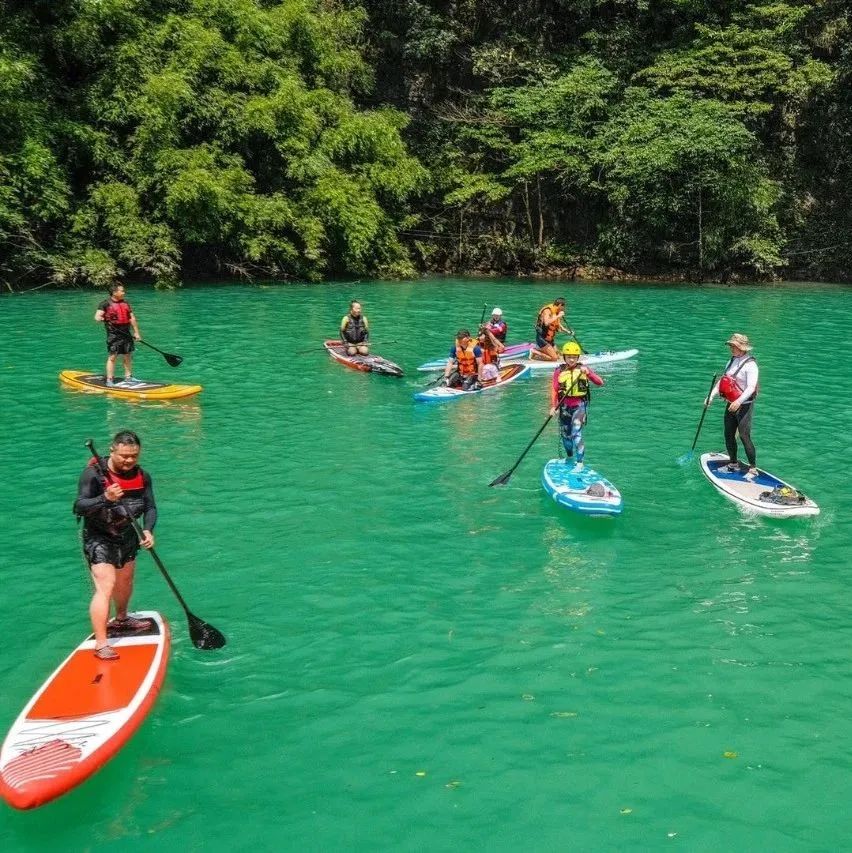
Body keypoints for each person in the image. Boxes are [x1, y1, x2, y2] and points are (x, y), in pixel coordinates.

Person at [73, 431, 157, 660]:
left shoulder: (143, 476)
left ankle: (121, 619)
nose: (129, 461)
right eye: (123, 456)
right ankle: (101, 644)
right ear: (112, 450)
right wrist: (105, 498)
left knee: (125, 581)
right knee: (106, 585)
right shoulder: (93, 475)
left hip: (127, 534)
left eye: (134, 456)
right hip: (99, 537)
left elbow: (150, 507)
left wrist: (148, 529)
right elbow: (79, 506)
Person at [706, 333, 759, 477]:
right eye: (731, 345)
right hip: (730, 404)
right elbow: (723, 381)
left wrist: (738, 401)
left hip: (744, 406)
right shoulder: (731, 361)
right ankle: (733, 463)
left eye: (734, 346)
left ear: (742, 348)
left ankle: (753, 468)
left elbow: (751, 387)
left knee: (744, 436)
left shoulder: (751, 365)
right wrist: (710, 396)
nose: (731, 348)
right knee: (728, 434)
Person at [549, 341, 604, 472]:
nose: (572, 359)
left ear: (578, 357)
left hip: (579, 406)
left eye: (574, 356)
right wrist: (553, 406)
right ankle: (569, 458)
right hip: (564, 407)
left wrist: (589, 374)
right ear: (564, 357)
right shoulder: (559, 371)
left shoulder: (583, 370)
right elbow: (554, 390)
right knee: (565, 436)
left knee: (576, 433)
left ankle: (580, 463)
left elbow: (600, 382)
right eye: (569, 357)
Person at [95, 283, 142, 387]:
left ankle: (129, 377)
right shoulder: (104, 304)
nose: (124, 292)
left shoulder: (126, 303)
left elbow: (132, 318)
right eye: (122, 291)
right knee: (113, 357)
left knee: (128, 355)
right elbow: (97, 317)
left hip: (126, 333)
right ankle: (110, 379)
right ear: (115, 292)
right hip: (114, 334)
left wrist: (136, 332)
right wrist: (102, 318)